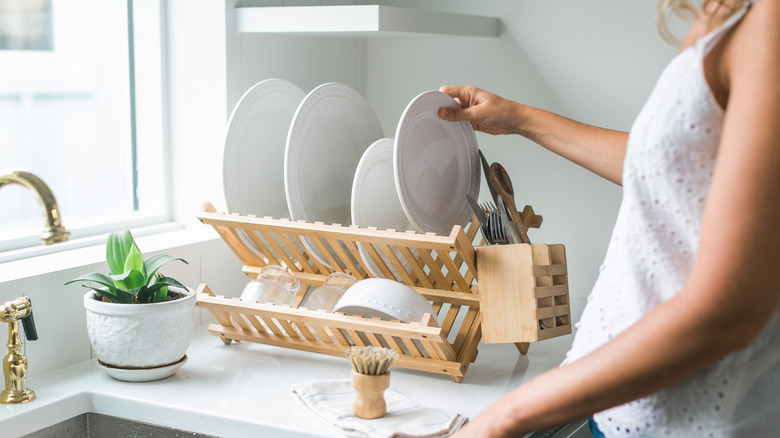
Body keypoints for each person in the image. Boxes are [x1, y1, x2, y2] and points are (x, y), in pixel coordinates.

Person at [438, 0, 780, 436]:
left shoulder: (769, 21)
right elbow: (671, 167)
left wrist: (503, 418)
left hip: (690, 421)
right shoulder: (733, 12)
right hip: (624, 407)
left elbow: (731, 311)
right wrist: (518, 118)